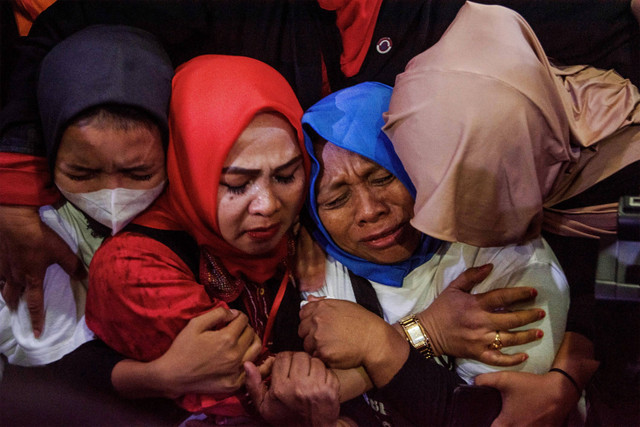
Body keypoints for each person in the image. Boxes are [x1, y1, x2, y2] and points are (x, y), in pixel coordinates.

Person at [1, 0, 638, 337]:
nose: (369, 211)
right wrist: (13, 187)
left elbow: (619, 280)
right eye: (237, 180)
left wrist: (580, 357)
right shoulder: (307, 280)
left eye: (388, 174)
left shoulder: (531, 219)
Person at [383, 2, 640, 425]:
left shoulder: (626, 182)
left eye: (478, 192)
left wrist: (565, 380)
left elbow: (618, 300)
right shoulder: (530, 103)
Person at [83, 54, 343, 425]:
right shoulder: (134, 266)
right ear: (189, 166)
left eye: (286, 176)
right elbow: (258, 382)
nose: (268, 206)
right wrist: (415, 337)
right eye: (237, 184)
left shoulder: (313, 220)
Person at [297, 78, 570, 426]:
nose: (369, 210)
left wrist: (383, 343)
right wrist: (427, 332)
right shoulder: (314, 269)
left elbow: (490, 416)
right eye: (336, 200)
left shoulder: (506, 259)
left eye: (383, 177)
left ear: (419, 163)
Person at [0, 24, 171, 367]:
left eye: (139, 174)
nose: (112, 196)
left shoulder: (205, 216)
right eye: (81, 173)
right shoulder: (34, 237)